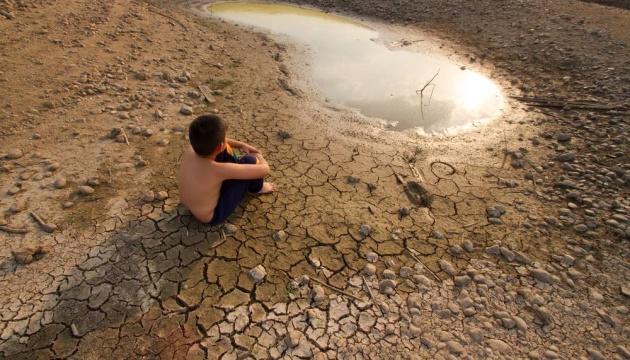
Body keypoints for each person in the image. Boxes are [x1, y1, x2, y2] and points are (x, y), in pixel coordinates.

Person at [178, 114, 274, 224]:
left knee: (220, 149)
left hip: (189, 205)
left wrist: (241, 145)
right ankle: (257, 188)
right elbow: (265, 169)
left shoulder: (191, 150)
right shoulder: (219, 170)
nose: (226, 139)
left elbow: (220, 142)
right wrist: (259, 157)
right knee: (250, 161)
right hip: (212, 216)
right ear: (219, 146)